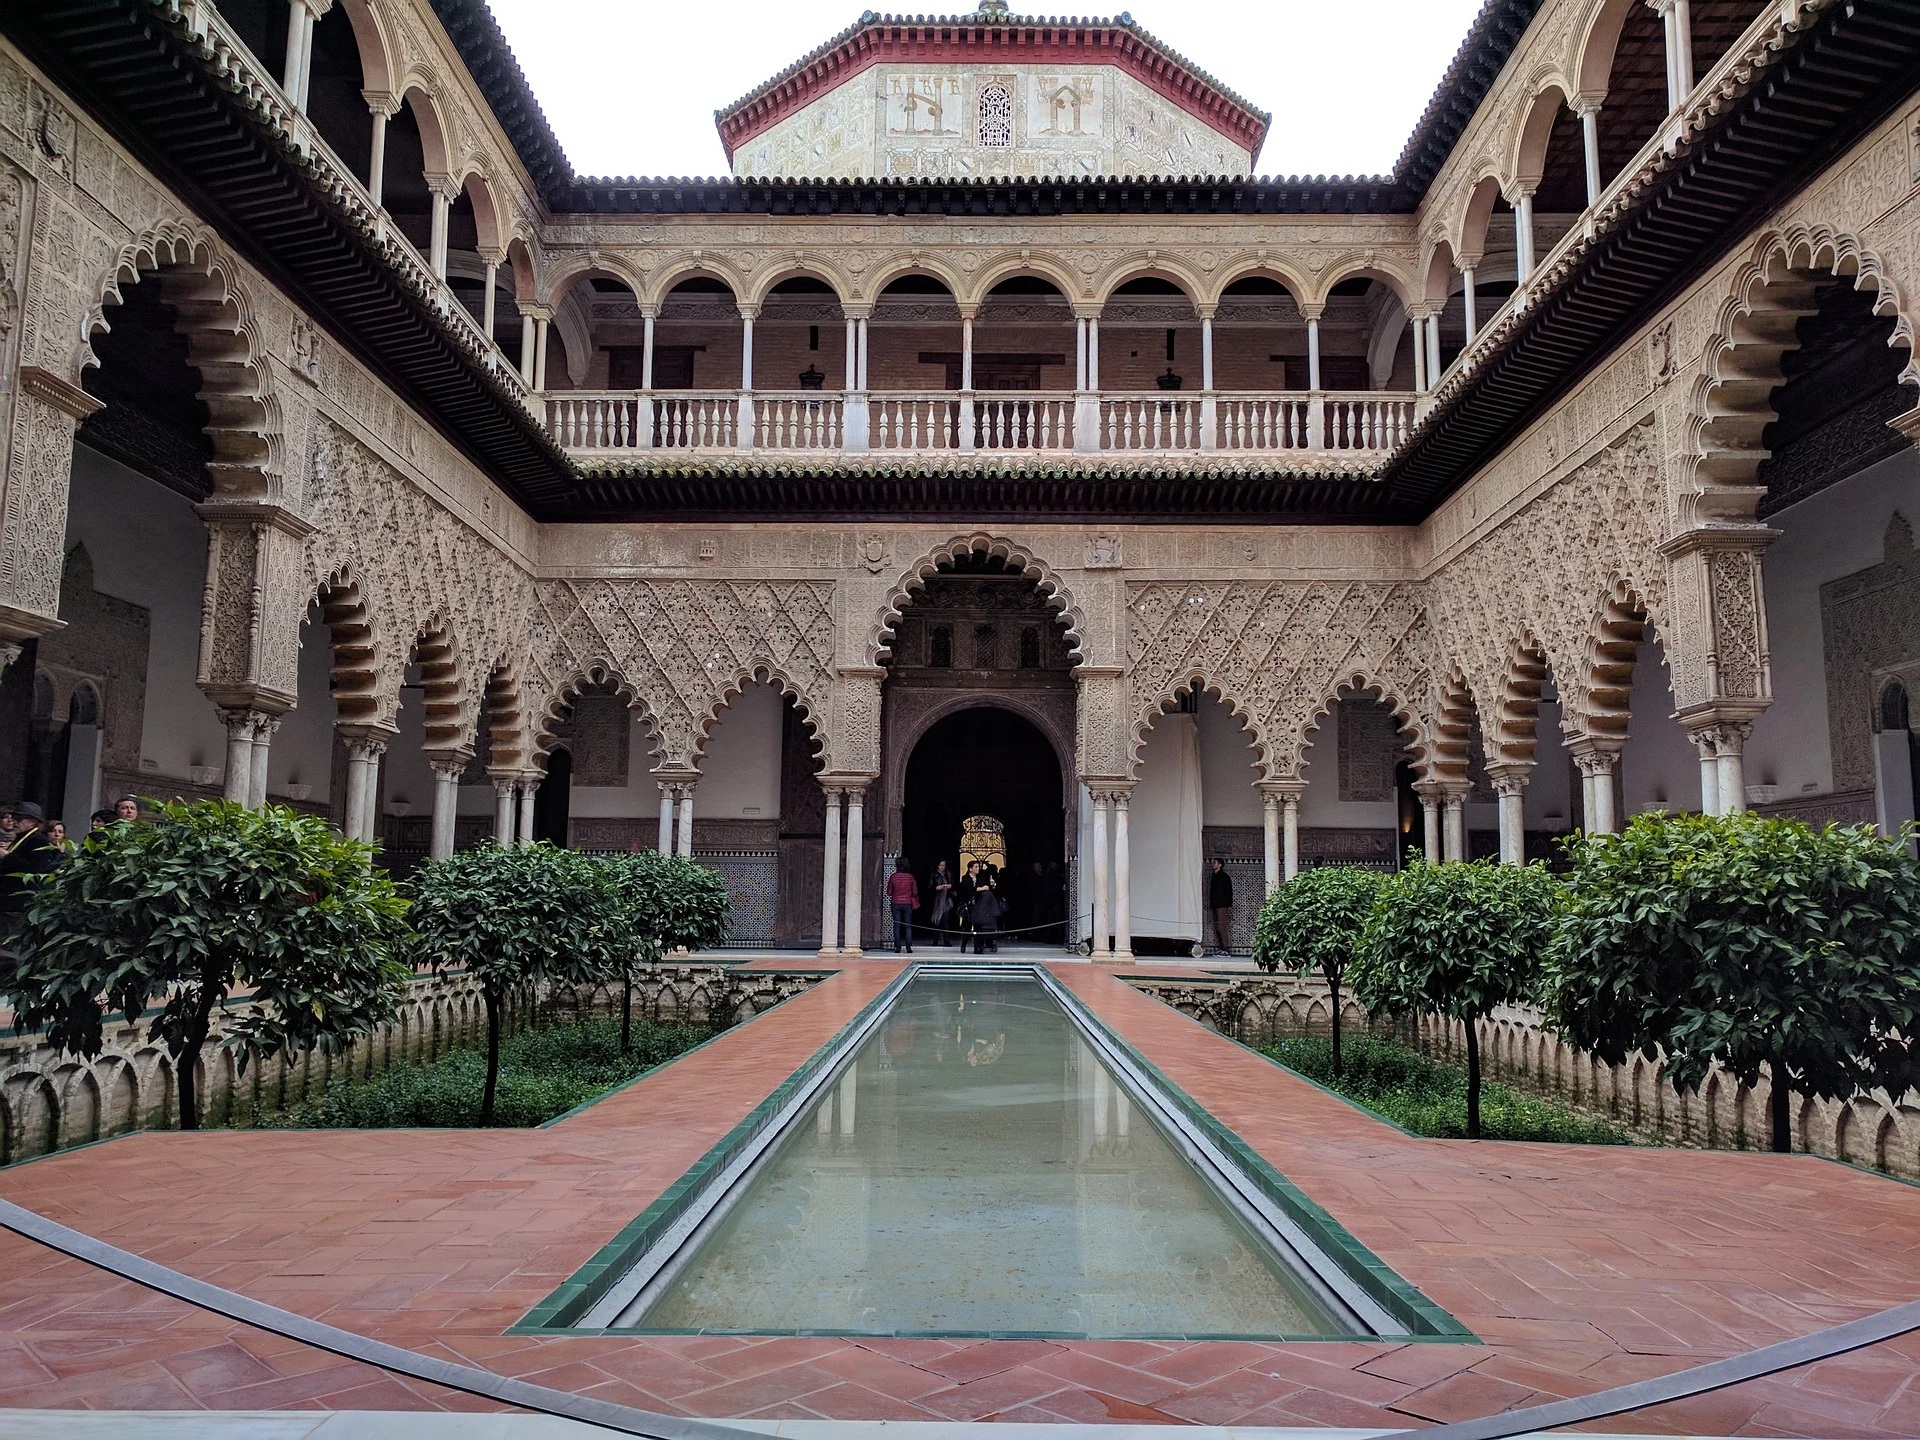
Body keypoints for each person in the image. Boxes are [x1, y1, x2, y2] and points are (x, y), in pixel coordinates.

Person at [0, 802, 61, 926]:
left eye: (19, 819)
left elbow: (35, 869)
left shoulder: (38, 840)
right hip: (8, 901)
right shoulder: (21, 838)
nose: (15, 822)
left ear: (32, 822)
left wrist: (7, 856)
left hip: (18, 903)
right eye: (14, 818)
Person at [886, 856, 919, 954]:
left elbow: (889, 892)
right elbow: (915, 892)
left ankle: (897, 947)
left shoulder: (893, 877)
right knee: (908, 925)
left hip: (895, 903)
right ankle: (908, 947)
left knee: (897, 925)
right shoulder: (910, 877)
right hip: (907, 903)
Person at [971, 872, 1004, 955]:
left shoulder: (987, 890)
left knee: (984, 930)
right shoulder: (984, 891)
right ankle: (987, 945)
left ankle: (983, 946)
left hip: (984, 914)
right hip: (987, 914)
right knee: (985, 930)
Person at [1209, 857, 1235, 955]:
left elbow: (1228, 891)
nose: (1213, 864)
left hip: (1222, 905)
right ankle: (1221, 948)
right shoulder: (1214, 876)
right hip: (1215, 905)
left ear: (1220, 864)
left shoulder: (1224, 877)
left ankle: (1226, 949)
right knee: (1217, 927)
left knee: (1221, 927)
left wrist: (1227, 903)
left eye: (1214, 863)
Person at [955, 860, 982, 955]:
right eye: (976, 867)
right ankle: (963, 945)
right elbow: (968, 890)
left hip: (978, 906)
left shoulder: (980, 878)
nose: (978, 869)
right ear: (970, 869)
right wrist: (979, 889)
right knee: (967, 926)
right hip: (968, 906)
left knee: (978, 927)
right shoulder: (965, 878)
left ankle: (978, 948)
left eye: (978, 867)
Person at [927, 859, 955, 946]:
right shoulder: (934, 875)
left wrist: (950, 886)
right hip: (937, 901)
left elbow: (954, 886)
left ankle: (946, 941)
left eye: (944, 865)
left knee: (946, 921)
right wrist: (936, 888)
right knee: (936, 921)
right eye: (941, 865)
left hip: (946, 901)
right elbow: (929, 887)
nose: (942, 867)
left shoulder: (949, 874)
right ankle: (935, 941)